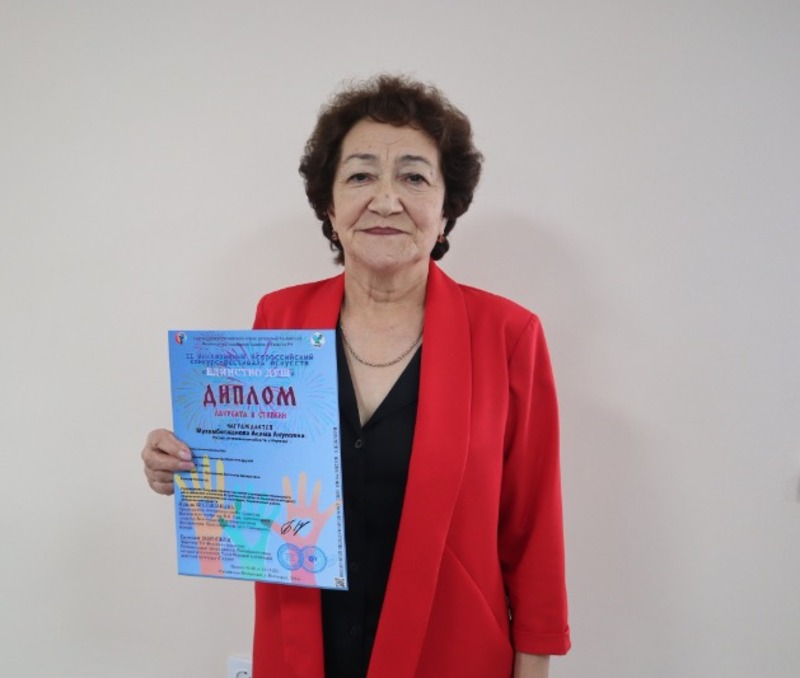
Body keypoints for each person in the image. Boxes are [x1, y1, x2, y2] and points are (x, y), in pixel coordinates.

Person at [142, 74, 570, 678]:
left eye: (414, 178)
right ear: (330, 206)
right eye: (361, 176)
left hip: (453, 655)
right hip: (300, 651)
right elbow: (252, 488)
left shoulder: (509, 335)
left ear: (446, 210)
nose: (386, 200)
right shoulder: (279, 319)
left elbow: (533, 531)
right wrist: (188, 466)